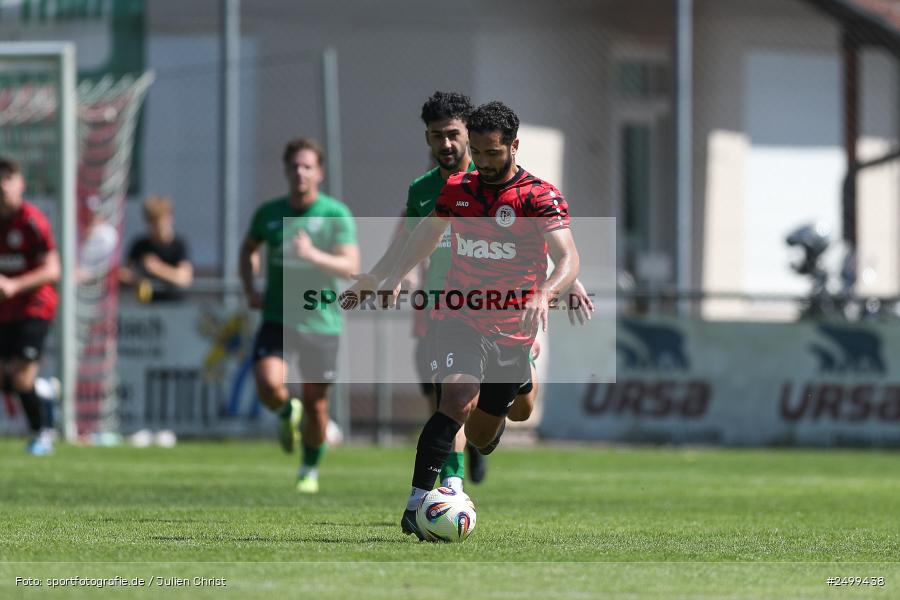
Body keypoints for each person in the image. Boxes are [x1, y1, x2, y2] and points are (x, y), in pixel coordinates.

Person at [377, 101, 582, 539]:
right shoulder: (458, 188)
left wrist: (547, 292)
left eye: (494, 153)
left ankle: (518, 386)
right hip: (460, 316)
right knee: (456, 400)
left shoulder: (536, 196)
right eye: (479, 152)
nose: (485, 162)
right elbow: (428, 233)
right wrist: (395, 274)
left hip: (512, 329)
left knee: (486, 432)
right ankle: (416, 504)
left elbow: (568, 256)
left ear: (514, 146)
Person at [239, 137, 359, 494]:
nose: (300, 172)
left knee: (317, 404)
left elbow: (350, 266)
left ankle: (309, 468)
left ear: (319, 172)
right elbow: (248, 249)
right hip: (277, 315)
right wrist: (250, 288)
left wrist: (310, 255)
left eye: (307, 166)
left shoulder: (335, 215)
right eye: (294, 166)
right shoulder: (269, 213)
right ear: (286, 170)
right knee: (267, 384)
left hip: (320, 320)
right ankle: (283, 412)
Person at [0, 157, 61, 455]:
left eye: (7, 178)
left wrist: (14, 285)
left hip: (34, 304)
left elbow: (53, 270)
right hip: (4, 309)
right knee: (6, 378)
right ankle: (44, 392)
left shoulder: (31, 221)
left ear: (21, 184)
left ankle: (43, 435)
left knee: (21, 374)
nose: (2, 185)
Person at [120, 195, 193, 302]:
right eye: (152, 222)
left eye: (160, 222)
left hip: (174, 309)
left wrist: (157, 269)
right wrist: (136, 278)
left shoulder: (179, 245)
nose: (157, 228)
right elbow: (125, 273)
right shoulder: (139, 245)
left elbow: (184, 279)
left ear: (170, 219)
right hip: (146, 309)